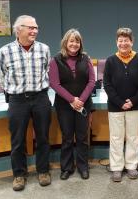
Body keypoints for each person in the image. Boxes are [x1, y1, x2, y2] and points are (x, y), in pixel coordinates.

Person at [0, 15, 52, 191]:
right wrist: (13, 91)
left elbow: (48, 71)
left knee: (43, 137)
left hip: (40, 98)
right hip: (17, 100)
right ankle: (19, 175)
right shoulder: (5, 51)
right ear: (18, 29)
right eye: (31, 27)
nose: (35, 31)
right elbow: (1, 77)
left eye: (36, 28)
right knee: (17, 140)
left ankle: (43, 171)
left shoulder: (44, 49)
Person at [103, 28, 138, 182]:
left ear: (132, 41)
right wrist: (120, 102)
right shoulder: (110, 60)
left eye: (126, 40)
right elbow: (107, 84)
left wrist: (133, 101)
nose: (123, 43)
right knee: (116, 137)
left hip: (134, 106)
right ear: (117, 42)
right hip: (115, 107)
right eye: (120, 40)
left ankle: (131, 165)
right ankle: (116, 167)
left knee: (132, 137)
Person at [49, 29, 95, 180]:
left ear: (80, 43)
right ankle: (67, 168)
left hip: (84, 104)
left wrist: (80, 100)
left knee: (82, 137)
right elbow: (54, 84)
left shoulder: (86, 58)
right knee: (67, 137)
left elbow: (91, 81)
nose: (74, 44)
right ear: (65, 43)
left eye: (77, 41)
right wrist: (72, 100)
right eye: (71, 41)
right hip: (64, 106)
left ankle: (83, 167)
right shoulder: (56, 60)